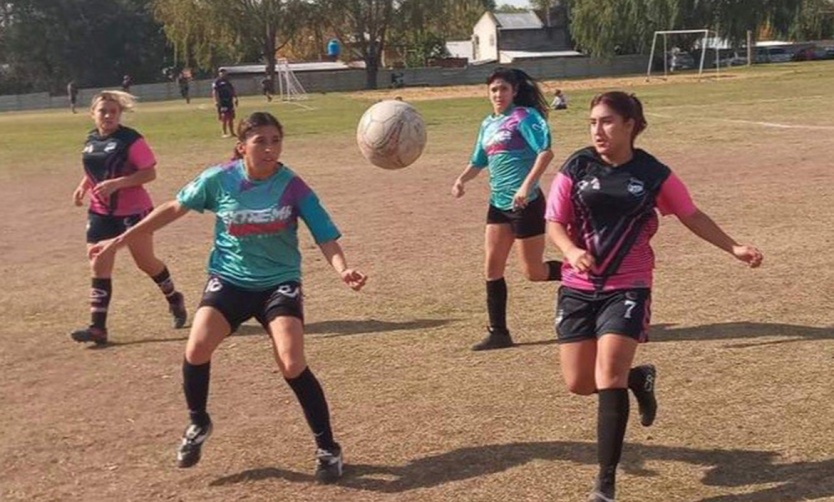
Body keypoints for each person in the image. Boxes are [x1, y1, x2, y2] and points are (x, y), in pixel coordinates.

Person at [88, 111, 367, 482]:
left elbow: (325, 235)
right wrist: (121, 240)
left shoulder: (293, 186)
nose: (270, 149)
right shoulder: (219, 179)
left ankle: (328, 448)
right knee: (196, 348)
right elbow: (174, 207)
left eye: (275, 141)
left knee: (291, 361)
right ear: (242, 147)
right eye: (260, 141)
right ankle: (198, 423)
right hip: (230, 280)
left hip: (278, 283)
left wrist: (342, 269)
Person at [545, 91, 763, 502]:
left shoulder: (652, 174)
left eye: (607, 121)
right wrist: (571, 251)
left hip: (628, 286)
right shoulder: (576, 165)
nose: (598, 130)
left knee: (607, 377)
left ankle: (604, 486)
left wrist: (733, 247)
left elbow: (690, 214)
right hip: (577, 288)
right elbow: (555, 220)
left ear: (630, 124)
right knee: (579, 382)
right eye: (593, 122)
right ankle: (639, 379)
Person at [451, 67, 562, 351]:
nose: (498, 94)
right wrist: (462, 179)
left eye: (503, 89)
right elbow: (478, 161)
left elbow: (545, 152)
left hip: (526, 204)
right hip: (499, 205)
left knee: (534, 272)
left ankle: (585, 274)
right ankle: (498, 332)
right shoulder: (487, 124)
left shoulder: (525, 117)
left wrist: (526, 186)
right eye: (493, 90)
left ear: (514, 91)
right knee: (492, 267)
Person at [71, 90, 188, 346]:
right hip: (100, 212)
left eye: (114, 111)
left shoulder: (130, 140)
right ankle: (98, 328)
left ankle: (174, 298)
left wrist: (118, 183)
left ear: (120, 114)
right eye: (103, 111)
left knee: (146, 263)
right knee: (98, 261)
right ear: (93, 113)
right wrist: (84, 186)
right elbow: (95, 169)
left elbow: (149, 174)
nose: (108, 115)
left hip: (133, 212)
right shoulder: (90, 139)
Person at [212, 68, 238, 138]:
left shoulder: (228, 81)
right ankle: (224, 133)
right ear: (219, 73)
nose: (223, 74)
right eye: (222, 73)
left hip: (229, 101)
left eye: (224, 73)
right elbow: (215, 92)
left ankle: (232, 132)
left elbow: (232, 90)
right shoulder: (217, 82)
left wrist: (235, 98)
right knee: (224, 117)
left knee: (231, 117)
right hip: (222, 102)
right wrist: (216, 101)